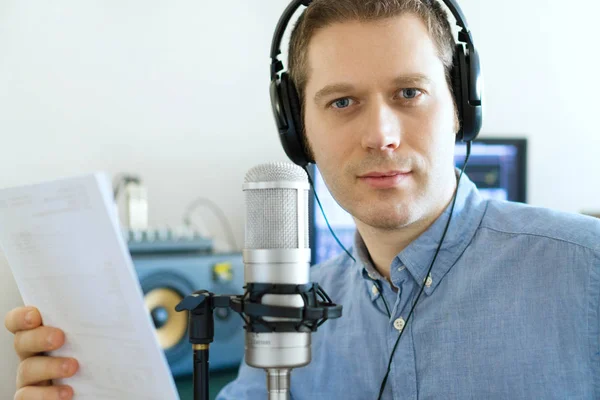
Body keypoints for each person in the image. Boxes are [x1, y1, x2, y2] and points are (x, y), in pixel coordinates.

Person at [4, 0, 599, 399]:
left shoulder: (587, 271)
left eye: (409, 92)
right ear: (298, 132)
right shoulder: (285, 316)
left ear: (462, 109)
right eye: (343, 102)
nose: (381, 134)